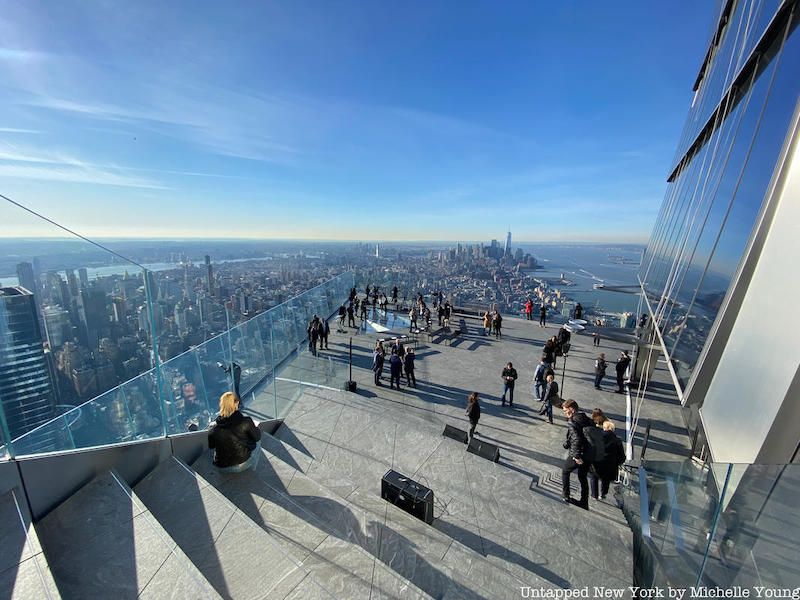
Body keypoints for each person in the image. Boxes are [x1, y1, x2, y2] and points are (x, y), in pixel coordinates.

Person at [208, 392, 262, 472]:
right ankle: (253, 470)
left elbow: (211, 446)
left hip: (221, 467)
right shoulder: (246, 421)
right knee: (258, 441)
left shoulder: (213, 428)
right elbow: (257, 437)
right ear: (236, 403)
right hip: (241, 464)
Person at [561, 399, 592, 509]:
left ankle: (566, 495)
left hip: (579, 453)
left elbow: (576, 439)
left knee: (565, 471)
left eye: (565, 411)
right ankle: (584, 501)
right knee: (582, 476)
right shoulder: (586, 418)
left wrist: (576, 456)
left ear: (572, 409)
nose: (564, 413)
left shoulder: (572, 421)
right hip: (589, 452)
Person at [589, 420, 626, 500]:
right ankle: (603, 494)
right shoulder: (617, 440)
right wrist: (618, 462)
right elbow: (621, 455)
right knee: (606, 479)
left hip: (597, 461)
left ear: (604, 428)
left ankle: (594, 495)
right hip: (610, 464)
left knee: (594, 477)